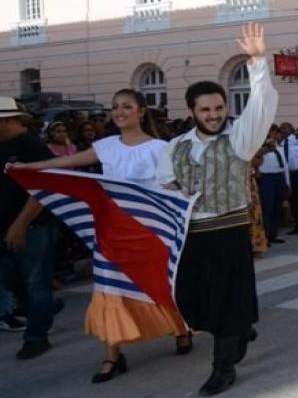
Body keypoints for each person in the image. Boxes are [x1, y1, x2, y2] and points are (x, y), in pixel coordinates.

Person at [11, 89, 192, 382]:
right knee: (110, 292)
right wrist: (29, 168)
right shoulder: (105, 145)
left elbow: (169, 186)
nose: (119, 111)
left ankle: (181, 330)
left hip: (148, 232)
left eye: (127, 106)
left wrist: (186, 203)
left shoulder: (160, 147)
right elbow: (65, 165)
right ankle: (112, 356)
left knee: (158, 283)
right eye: (116, 106)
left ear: (141, 112)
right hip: (111, 232)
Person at [155, 22, 277, 396]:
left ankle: (223, 367)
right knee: (192, 300)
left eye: (219, 107)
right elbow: (165, 183)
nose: (214, 114)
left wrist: (258, 61)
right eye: (206, 109)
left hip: (229, 231)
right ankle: (240, 328)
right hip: (192, 235)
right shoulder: (175, 146)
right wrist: (179, 193)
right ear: (192, 110)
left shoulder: (239, 139)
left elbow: (262, 105)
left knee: (227, 301)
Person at [0, 96, 58, 359]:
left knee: (36, 283)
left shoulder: (30, 146)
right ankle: (44, 308)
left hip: (33, 228)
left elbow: (45, 188)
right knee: (11, 279)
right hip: (6, 226)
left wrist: (21, 224)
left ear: (10, 120)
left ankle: (36, 337)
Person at [258, 125, 289, 244]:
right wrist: (266, 148)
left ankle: (273, 235)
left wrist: (287, 182)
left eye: (277, 133)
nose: (276, 135)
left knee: (277, 207)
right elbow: (256, 157)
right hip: (267, 178)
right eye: (273, 132)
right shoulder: (261, 145)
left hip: (279, 176)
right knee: (267, 207)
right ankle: (264, 236)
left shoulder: (279, 147)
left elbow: (285, 165)